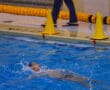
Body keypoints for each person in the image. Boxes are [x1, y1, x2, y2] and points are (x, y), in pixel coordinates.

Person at [28, 62, 98, 88]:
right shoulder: (38, 73)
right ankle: (90, 88)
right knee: (81, 81)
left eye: (37, 64)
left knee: (84, 78)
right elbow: (31, 76)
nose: (37, 65)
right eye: (35, 65)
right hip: (62, 77)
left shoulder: (44, 70)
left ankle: (95, 83)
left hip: (64, 74)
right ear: (33, 67)